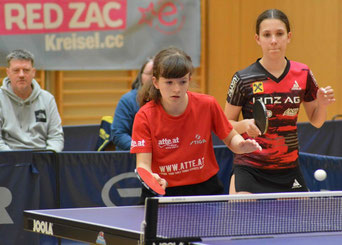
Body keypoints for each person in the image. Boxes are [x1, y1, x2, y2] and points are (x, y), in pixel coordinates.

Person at [224, 9, 335, 194]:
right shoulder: (243, 78)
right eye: (267, 35)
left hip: (288, 169)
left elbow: (316, 121)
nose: (273, 40)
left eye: (279, 34)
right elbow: (224, 124)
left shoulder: (303, 73)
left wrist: (322, 105)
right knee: (242, 219)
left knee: (299, 223)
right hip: (250, 167)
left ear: (289, 36)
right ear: (257, 39)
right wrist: (244, 125)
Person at [130, 47, 261, 201]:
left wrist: (240, 145)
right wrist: (152, 179)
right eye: (169, 82)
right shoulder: (145, 116)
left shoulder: (207, 104)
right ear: (156, 82)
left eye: (182, 82)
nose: (176, 89)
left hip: (205, 189)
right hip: (164, 191)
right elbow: (143, 165)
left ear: (189, 80)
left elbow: (230, 137)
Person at [0, 49, 64, 152]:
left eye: (26, 70)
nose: (21, 75)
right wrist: (15, 162)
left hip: (41, 161)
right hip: (9, 162)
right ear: (8, 72)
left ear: (33, 72)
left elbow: (55, 137)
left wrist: (47, 159)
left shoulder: (47, 99)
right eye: (16, 70)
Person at [110, 58, 153, 150]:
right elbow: (119, 135)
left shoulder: (168, 101)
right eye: (150, 73)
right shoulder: (128, 100)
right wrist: (144, 149)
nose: (153, 78)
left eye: (157, 74)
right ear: (141, 76)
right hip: (132, 156)